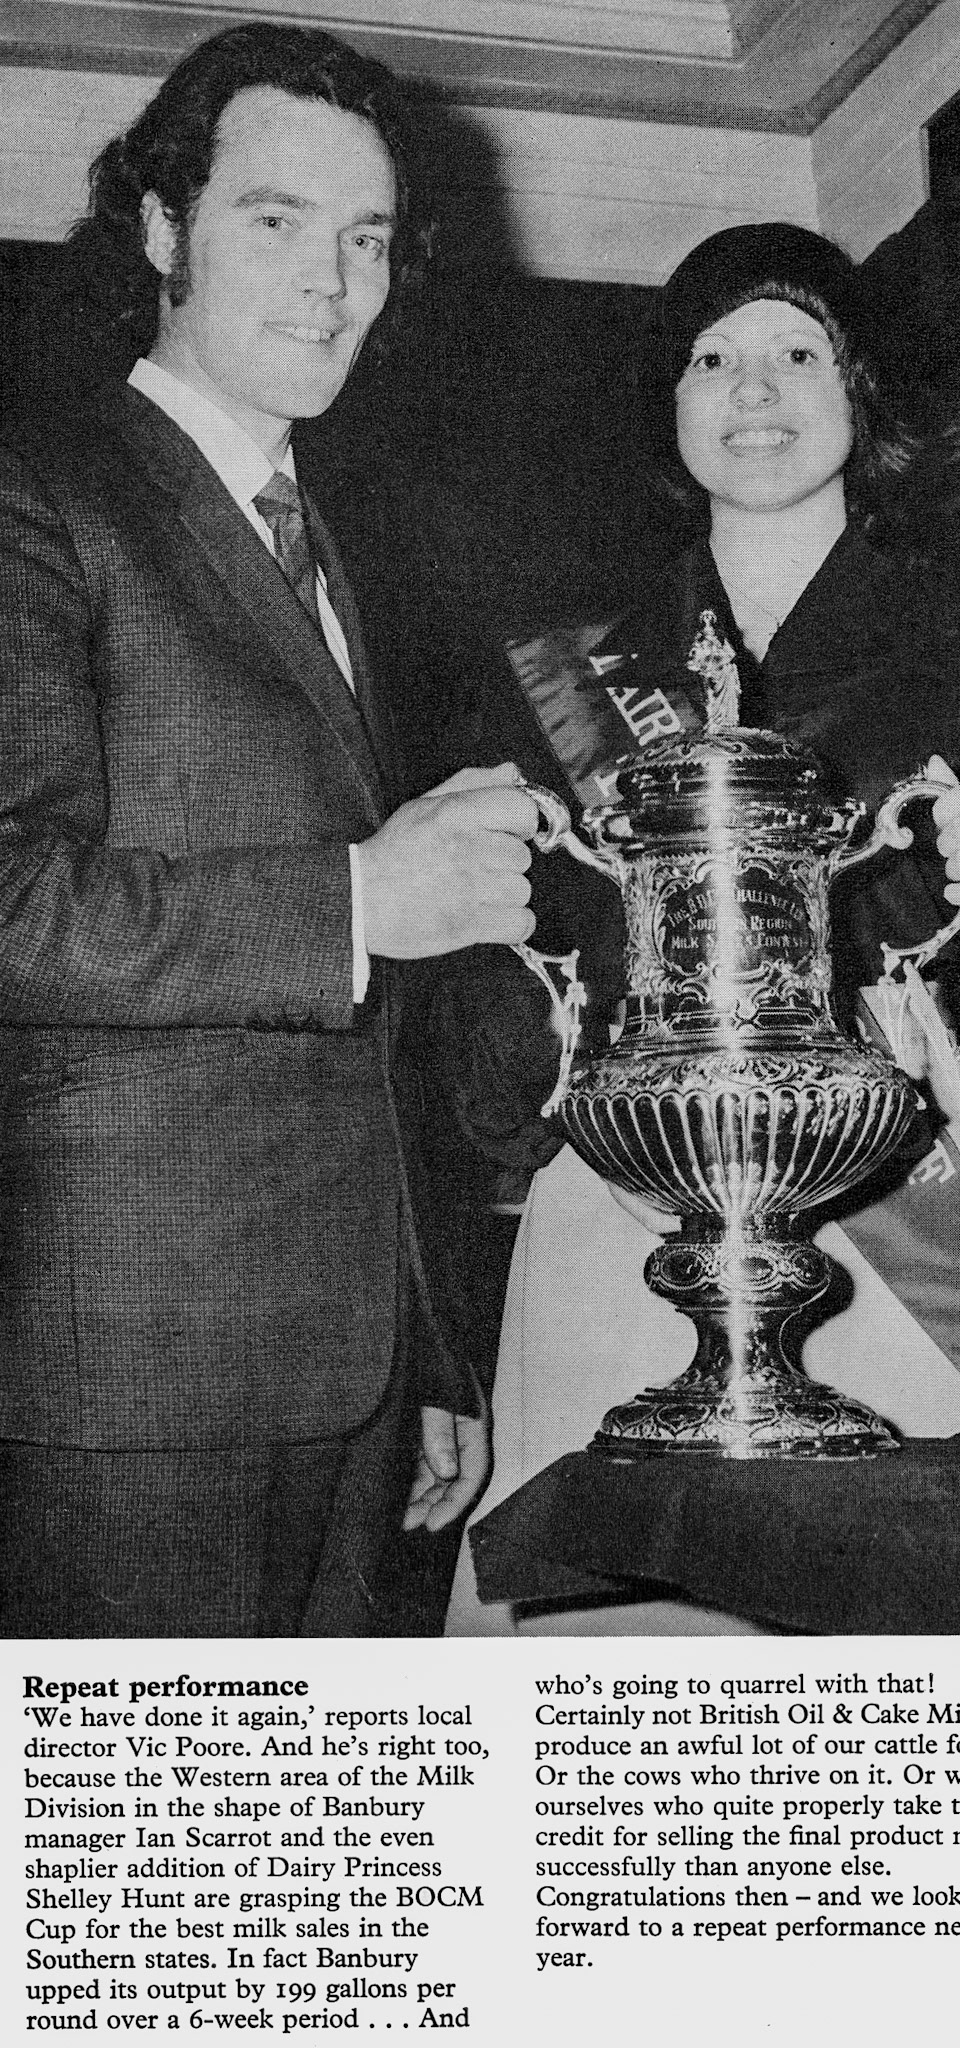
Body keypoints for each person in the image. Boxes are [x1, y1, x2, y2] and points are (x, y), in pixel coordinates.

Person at [0, 21, 543, 1638]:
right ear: (161, 227)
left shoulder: (323, 540)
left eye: (366, 237)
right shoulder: (37, 488)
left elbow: (370, 1039)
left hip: (351, 1375)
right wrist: (363, 897)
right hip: (132, 1374)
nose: (331, 281)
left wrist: (425, 1347)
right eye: (275, 219)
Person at [442, 222, 960, 1636]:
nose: (755, 390)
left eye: (798, 354)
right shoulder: (557, 673)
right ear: (669, 406)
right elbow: (484, 987)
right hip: (623, 1215)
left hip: (897, 1227)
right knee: (618, 1660)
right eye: (713, 359)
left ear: (862, 395)